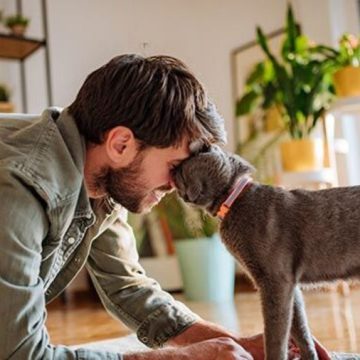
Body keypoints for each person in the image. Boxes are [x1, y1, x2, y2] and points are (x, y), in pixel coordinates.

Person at [0, 54, 330, 359]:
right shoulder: (21, 187)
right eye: (175, 166)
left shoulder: (98, 173)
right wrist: (182, 358)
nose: (178, 184)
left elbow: (127, 287)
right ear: (121, 143)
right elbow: (21, 355)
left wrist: (233, 345)